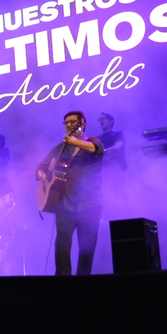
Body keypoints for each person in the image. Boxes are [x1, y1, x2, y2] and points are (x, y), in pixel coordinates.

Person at [37, 110, 104, 276]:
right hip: (64, 203)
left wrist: (75, 142)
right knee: (62, 244)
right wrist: (41, 173)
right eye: (66, 123)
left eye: (73, 122)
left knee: (86, 246)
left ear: (83, 123)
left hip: (89, 202)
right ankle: (62, 278)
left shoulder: (92, 142)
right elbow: (42, 166)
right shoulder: (60, 148)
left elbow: (97, 149)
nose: (69, 125)